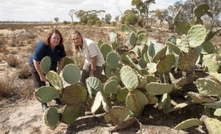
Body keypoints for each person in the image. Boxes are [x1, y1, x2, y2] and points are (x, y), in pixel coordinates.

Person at [29, 29, 66, 112]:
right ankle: (44, 103)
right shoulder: (42, 45)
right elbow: (36, 61)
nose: (56, 40)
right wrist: (41, 75)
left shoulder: (60, 46)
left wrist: (58, 71)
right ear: (49, 38)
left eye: (58, 38)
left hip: (51, 64)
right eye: (54, 38)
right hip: (36, 65)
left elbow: (62, 58)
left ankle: (56, 97)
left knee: (53, 83)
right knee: (40, 85)